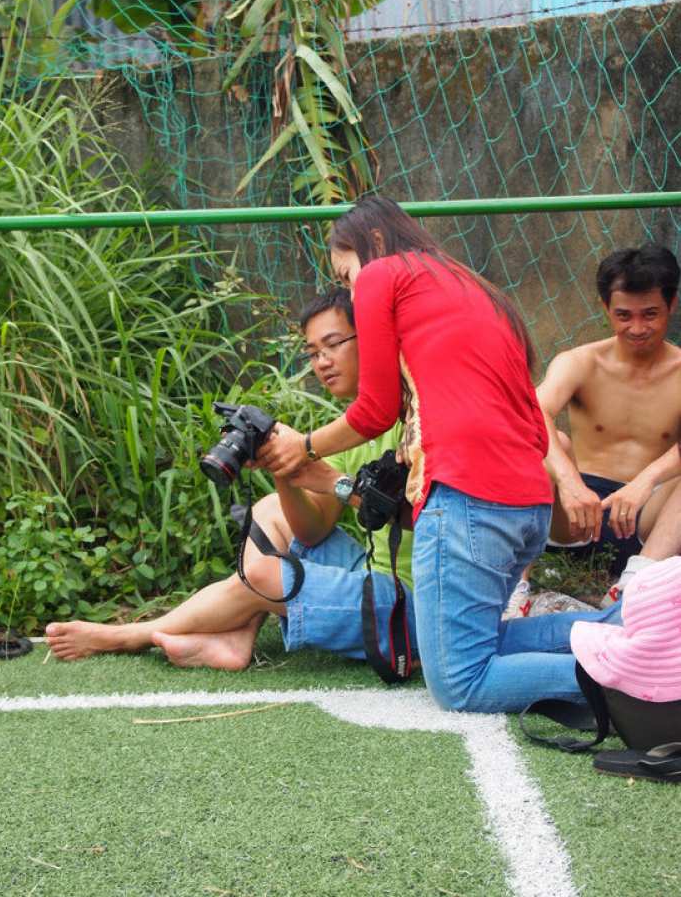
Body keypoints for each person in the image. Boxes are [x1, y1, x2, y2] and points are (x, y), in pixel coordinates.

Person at [258, 195, 621, 714]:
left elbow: (375, 410)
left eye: (347, 273)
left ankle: (629, 679)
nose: (351, 289)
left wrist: (304, 445)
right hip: (526, 504)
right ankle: (622, 633)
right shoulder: (472, 286)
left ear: (376, 243)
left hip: (468, 499)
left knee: (459, 683)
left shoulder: (384, 274)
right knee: (481, 647)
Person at [45, 288, 419, 669]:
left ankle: (128, 636)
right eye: (312, 353)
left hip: (416, 606)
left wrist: (333, 481)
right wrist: (285, 471)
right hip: (378, 572)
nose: (322, 362)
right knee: (268, 511)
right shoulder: (346, 431)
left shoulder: (414, 416)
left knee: (261, 573)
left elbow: (420, 514)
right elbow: (312, 533)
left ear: (371, 338)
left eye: (333, 344)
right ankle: (239, 636)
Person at [506, 243, 681, 616]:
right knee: (539, 439)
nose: (637, 327)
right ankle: (513, 593)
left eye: (650, 314)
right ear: (605, 309)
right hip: (575, 517)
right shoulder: (580, 361)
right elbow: (532, 411)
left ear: (672, 305)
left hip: (648, 521)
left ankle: (632, 589)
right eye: (623, 315)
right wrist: (569, 482)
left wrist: (645, 481)